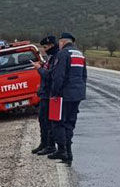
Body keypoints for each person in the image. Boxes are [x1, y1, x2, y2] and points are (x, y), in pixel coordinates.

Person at [47, 32, 87, 164]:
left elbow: (59, 76)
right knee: (70, 123)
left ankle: (62, 150)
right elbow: (84, 76)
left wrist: (55, 93)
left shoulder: (63, 54)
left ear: (63, 42)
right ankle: (69, 152)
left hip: (64, 94)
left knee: (57, 122)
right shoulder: (80, 54)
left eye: (59, 42)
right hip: (78, 94)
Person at [31, 35, 59, 155]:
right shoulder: (50, 57)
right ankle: (44, 143)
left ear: (52, 45)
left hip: (50, 94)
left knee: (49, 121)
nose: (44, 49)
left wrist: (39, 69)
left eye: (45, 47)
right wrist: (42, 66)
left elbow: (50, 76)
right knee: (42, 120)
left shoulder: (56, 57)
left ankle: (51, 146)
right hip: (44, 94)